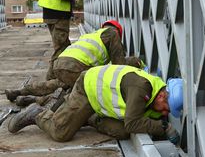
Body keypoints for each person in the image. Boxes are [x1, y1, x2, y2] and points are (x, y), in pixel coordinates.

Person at [8, 65, 183, 145]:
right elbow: (133, 123)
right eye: (167, 107)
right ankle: (36, 113)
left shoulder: (155, 95)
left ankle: (90, 118)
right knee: (61, 133)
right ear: (162, 95)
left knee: (122, 132)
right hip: (89, 89)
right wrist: (163, 127)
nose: (166, 112)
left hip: (103, 102)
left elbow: (130, 126)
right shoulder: (141, 88)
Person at [5, 20, 143, 106]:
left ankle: (19, 92)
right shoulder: (113, 34)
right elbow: (118, 66)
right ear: (118, 32)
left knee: (53, 84)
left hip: (60, 63)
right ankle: (36, 102)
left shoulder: (91, 36)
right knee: (76, 95)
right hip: (75, 66)